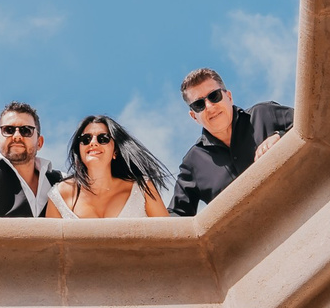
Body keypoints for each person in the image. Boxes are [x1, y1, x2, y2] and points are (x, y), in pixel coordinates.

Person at [170, 68, 293, 215]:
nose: (209, 107)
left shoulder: (265, 113)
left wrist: (280, 135)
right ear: (194, 116)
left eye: (214, 96)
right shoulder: (192, 163)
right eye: (199, 105)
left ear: (229, 96)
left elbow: (315, 123)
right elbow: (175, 217)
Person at [48, 114, 170, 219]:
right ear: (79, 150)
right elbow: (49, 245)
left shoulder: (141, 188)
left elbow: (169, 237)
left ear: (115, 151)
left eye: (103, 138)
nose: (93, 143)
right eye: (86, 139)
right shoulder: (60, 194)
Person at [0, 101, 56, 218]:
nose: (17, 136)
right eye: (8, 130)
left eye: (26, 130)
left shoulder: (60, 180)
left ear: (39, 142)